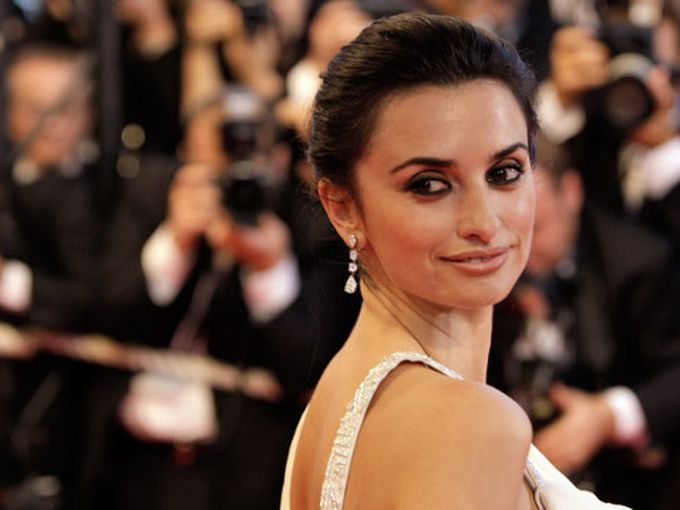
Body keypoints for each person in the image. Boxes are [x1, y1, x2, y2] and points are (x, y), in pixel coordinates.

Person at [281, 13, 628, 510]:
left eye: (504, 172)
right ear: (343, 207)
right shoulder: (467, 424)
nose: (483, 222)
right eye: (429, 184)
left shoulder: (336, 399)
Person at [489, 135, 680, 510]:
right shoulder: (482, 261)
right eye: (507, 230)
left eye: (537, 227)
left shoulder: (638, 262)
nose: (519, 250)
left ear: (572, 192)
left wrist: (607, 417)